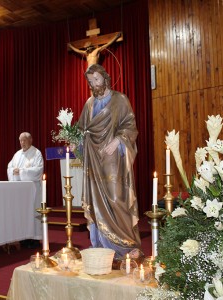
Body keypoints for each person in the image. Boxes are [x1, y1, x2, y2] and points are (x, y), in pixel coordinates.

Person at [76, 64, 141, 258]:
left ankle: (123, 245)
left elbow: (130, 126)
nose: (94, 84)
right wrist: (76, 140)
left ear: (105, 78)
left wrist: (119, 140)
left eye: (97, 79)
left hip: (113, 158)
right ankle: (100, 246)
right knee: (95, 200)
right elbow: (81, 129)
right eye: (90, 81)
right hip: (94, 160)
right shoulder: (89, 104)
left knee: (115, 198)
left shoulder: (120, 100)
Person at [7, 132, 44, 248]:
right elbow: (10, 167)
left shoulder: (36, 153)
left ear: (30, 140)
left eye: (24, 140)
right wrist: (13, 171)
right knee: (23, 213)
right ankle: (23, 238)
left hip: (33, 190)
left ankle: (35, 239)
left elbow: (38, 170)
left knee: (33, 212)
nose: (22, 143)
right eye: (21, 140)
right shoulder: (17, 154)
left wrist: (21, 172)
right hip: (20, 191)